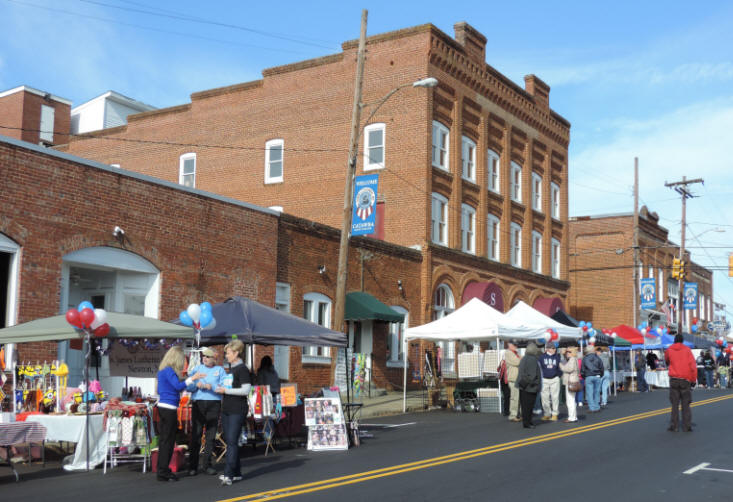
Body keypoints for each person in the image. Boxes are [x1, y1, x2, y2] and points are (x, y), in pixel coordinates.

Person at [156, 346, 204, 482]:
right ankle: (163, 471)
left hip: (163, 406)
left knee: (164, 440)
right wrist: (192, 378)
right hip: (169, 407)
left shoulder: (162, 371)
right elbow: (177, 386)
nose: (184, 363)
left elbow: (163, 388)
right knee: (168, 441)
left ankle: (162, 469)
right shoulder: (169, 371)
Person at [215, 339, 252, 486]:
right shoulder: (231, 369)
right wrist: (220, 388)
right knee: (230, 441)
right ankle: (237, 473)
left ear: (236, 353)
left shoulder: (242, 369)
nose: (226, 356)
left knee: (231, 441)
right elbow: (230, 386)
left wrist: (226, 390)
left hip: (237, 409)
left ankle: (228, 474)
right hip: (227, 409)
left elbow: (246, 390)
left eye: (228, 353)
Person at [187, 347, 226, 476]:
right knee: (196, 434)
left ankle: (207, 465)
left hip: (214, 404)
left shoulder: (220, 370)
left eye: (208, 356)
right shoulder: (197, 369)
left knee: (210, 435)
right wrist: (195, 385)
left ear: (214, 358)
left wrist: (212, 386)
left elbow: (225, 387)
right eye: (204, 356)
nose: (205, 358)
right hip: (198, 403)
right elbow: (188, 386)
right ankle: (193, 466)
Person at [664, 334, 697, 432]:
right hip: (685, 380)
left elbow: (667, 360)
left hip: (674, 379)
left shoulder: (669, 349)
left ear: (674, 340)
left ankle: (674, 425)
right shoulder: (687, 350)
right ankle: (687, 426)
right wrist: (693, 380)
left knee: (674, 404)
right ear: (682, 341)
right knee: (685, 404)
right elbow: (693, 366)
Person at [516, 341, 542, 429]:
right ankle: (528, 423)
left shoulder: (524, 358)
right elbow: (532, 375)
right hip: (530, 387)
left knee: (524, 406)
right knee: (529, 406)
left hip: (522, 385)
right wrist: (535, 383)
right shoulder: (532, 359)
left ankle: (526, 422)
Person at [539, 343, 561, 421]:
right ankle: (547, 414)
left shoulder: (557, 357)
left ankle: (555, 414)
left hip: (554, 379)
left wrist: (558, 375)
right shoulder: (542, 357)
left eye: (555, 348)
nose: (555, 349)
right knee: (544, 398)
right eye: (553, 348)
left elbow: (560, 367)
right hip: (544, 379)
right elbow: (539, 367)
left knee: (555, 397)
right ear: (548, 349)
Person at [559, 346, 580, 423]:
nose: (567, 353)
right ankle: (573, 416)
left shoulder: (572, 359)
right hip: (573, 381)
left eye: (569, 352)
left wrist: (560, 365)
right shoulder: (574, 359)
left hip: (571, 381)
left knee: (570, 400)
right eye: (567, 351)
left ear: (573, 352)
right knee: (572, 400)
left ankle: (572, 417)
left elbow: (568, 369)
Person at [581, 345, 604, 413]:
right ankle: (597, 407)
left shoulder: (585, 358)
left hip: (589, 376)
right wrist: (601, 375)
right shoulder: (598, 358)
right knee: (597, 392)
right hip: (597, 376)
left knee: (590, 393)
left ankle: (592, 408)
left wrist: (584, 376)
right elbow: (601, 367)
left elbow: (582, 369)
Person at [504, 340, 522, 422]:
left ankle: (518, 414)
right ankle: (513, 415)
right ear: (509, 345)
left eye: (516, 345)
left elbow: (522, 360)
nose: (516, 346)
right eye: (514, 345)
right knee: (515, 397)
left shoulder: (516, 353)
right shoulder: (508, 353)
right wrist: (521, 358)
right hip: (513, 378)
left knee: (519, 398)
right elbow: (517, 362)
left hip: (518, 378)